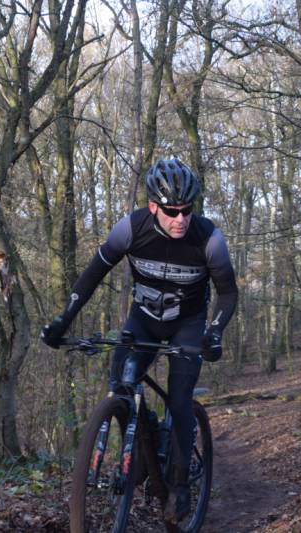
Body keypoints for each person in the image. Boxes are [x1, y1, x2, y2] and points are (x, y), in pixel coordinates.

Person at [41, 157, 238, 523]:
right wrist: (62, 320)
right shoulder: (130, 229)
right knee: (121, 384)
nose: (181, 219)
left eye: (187, 210)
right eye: (172, 211)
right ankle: (142, 439)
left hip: (188, 324)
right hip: (144, 320)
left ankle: (180, 486)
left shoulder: (209, 239)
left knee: (179, 398)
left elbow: (228, 293)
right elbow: (93, 274)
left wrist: (214, 332)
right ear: (153, 207)